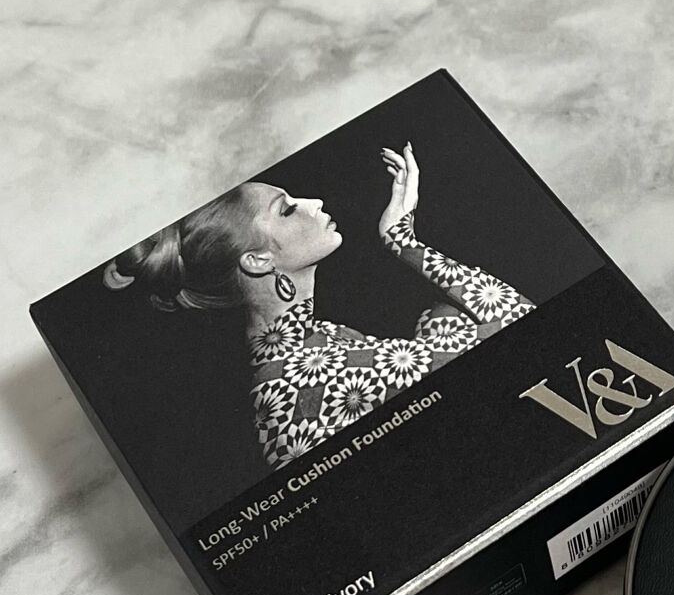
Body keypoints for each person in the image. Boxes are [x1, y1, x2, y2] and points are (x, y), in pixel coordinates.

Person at [103, 143, 535, 468]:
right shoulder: (298, 378)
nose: (315, 203)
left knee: (442, 317)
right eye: (287, 210)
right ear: (258, 260)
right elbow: (521, 329)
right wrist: (402, 242)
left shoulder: (315, 343)